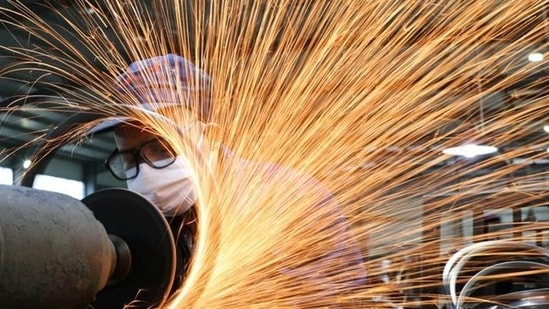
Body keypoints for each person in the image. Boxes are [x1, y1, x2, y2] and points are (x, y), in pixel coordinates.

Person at [92, 54, 366, 306]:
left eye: (163, 148)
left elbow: (341, 296)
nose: (146, 173)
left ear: (211, 133)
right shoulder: (136, 226)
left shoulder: (291, 199)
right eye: (129, 159)